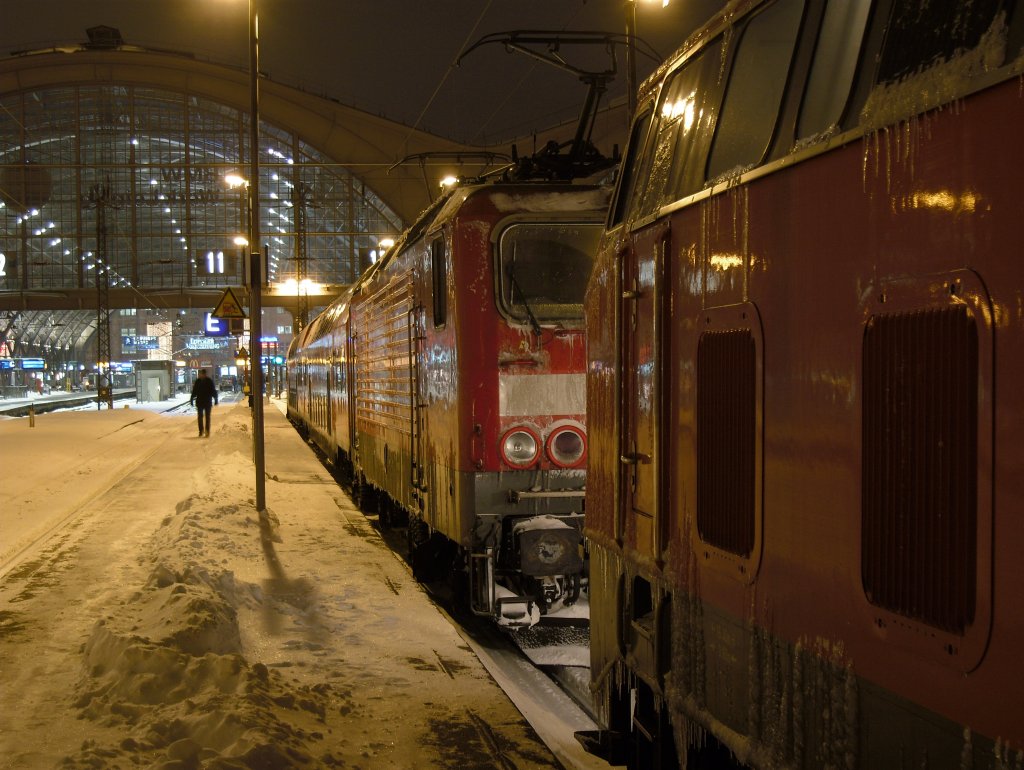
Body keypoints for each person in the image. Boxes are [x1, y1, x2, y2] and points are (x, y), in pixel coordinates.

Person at [190, 369, 218, 437]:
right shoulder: (198, 381)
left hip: (207, 401)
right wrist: (191, 399)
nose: (201, 375)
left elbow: (213, 390)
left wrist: (216, 399)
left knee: (207, 417)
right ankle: (201, 431)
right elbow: (194, 391)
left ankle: (207, 431)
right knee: (200, 417)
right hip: (200, 402)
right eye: (200, 374)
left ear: (204, 374)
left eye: (202, 374)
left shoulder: (209, 381)